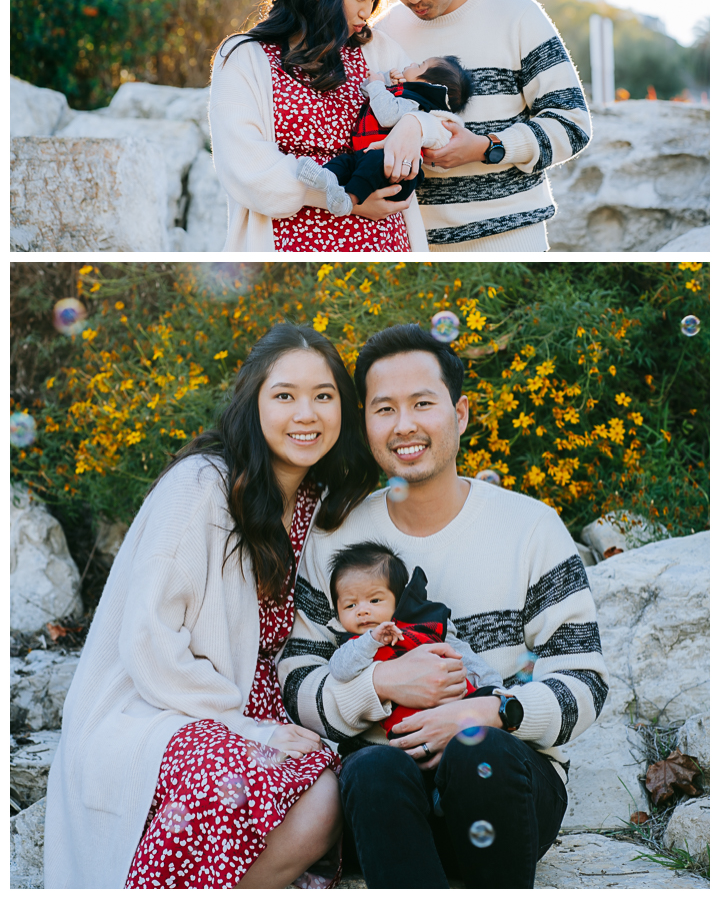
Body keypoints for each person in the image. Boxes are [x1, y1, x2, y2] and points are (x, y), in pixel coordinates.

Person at [43, 323, 381, 889]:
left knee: (329, 795)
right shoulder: (202, 487)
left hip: (271, 714)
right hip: (163, 704)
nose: (307, 414)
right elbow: (148, 640)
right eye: (284, 396)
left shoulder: (322, 504)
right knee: (223, 774)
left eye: (324, 396)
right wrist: (246, 725)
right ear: (253, 403)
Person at [278, 324, 609, 889]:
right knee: (374, 767)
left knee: (481, 753)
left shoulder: (529, 527)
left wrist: (492, 712)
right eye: (384, 409)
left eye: (422, 404)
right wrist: (380, 684)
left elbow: (584, 679)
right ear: (366, 423)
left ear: (459, 413)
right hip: (382, 798)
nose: (404, 425)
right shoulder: (333, 535)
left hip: (505, 787)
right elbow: (295, 677)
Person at [372, 0, 593, 253]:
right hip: (415, 245)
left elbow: (573, 123)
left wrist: (487, 147)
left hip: (512, 241)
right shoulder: (381, 34)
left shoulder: (518, 15)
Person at [209, 0, 446, 253]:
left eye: (375, 0)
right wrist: (344, 199)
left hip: (388, 247)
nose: (367, 12)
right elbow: (246, 168)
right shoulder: (244, 57)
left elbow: (444, 122)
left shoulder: (377, 51)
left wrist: (414, 125)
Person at [327, 542, 501, 742]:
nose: (362, 611)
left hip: (461, 708)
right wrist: (370, 640)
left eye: (375, 601)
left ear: (397, 600)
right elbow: (339, 670)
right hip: (410, 728)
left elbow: (462, 656)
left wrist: (492, 688)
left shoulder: (426, 623)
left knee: (485, 719)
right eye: (350, 605)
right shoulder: (354, 647)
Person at [296, 55, 473, 209]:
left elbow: (387, 117)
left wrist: (378, 85)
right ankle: (324, 177)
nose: (411, 64)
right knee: (345, 162)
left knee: (372, 163)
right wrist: (385, 81)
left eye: (419, 66)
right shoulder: (401, 94)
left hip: (394, 170)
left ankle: (349, 199)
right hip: (365, 157)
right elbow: (368, 92)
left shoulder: (416, 104)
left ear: (428, 85)